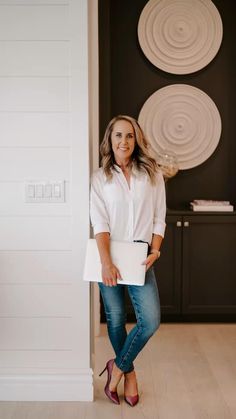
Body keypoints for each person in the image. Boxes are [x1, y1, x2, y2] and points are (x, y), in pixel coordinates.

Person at [90, 115, 166, 406]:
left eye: (130, 136)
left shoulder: (152, 173)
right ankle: (130, 374)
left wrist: (155, 250)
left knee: (150, 320)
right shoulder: (99, 179)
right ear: (110, 139)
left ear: (137, 140)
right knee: (116, 318)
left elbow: (159, 217)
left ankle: (117, 366)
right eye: (118, 135)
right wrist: (106, 263)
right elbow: (100, 223)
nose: (124, 141)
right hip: (108, 254)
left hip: (140, 255)